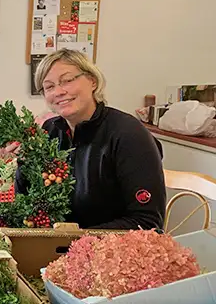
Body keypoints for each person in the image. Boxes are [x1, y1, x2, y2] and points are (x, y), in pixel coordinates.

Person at [17, 49, 165, 230]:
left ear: (93, 81)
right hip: (58, 246)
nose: (59, 91)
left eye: (68, 80)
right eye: (49, 86)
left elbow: (147, 222)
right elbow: (28, 201)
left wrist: (79, 243)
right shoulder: (50, 131)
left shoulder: (129, 134)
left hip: (109, 251)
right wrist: (24, 161)